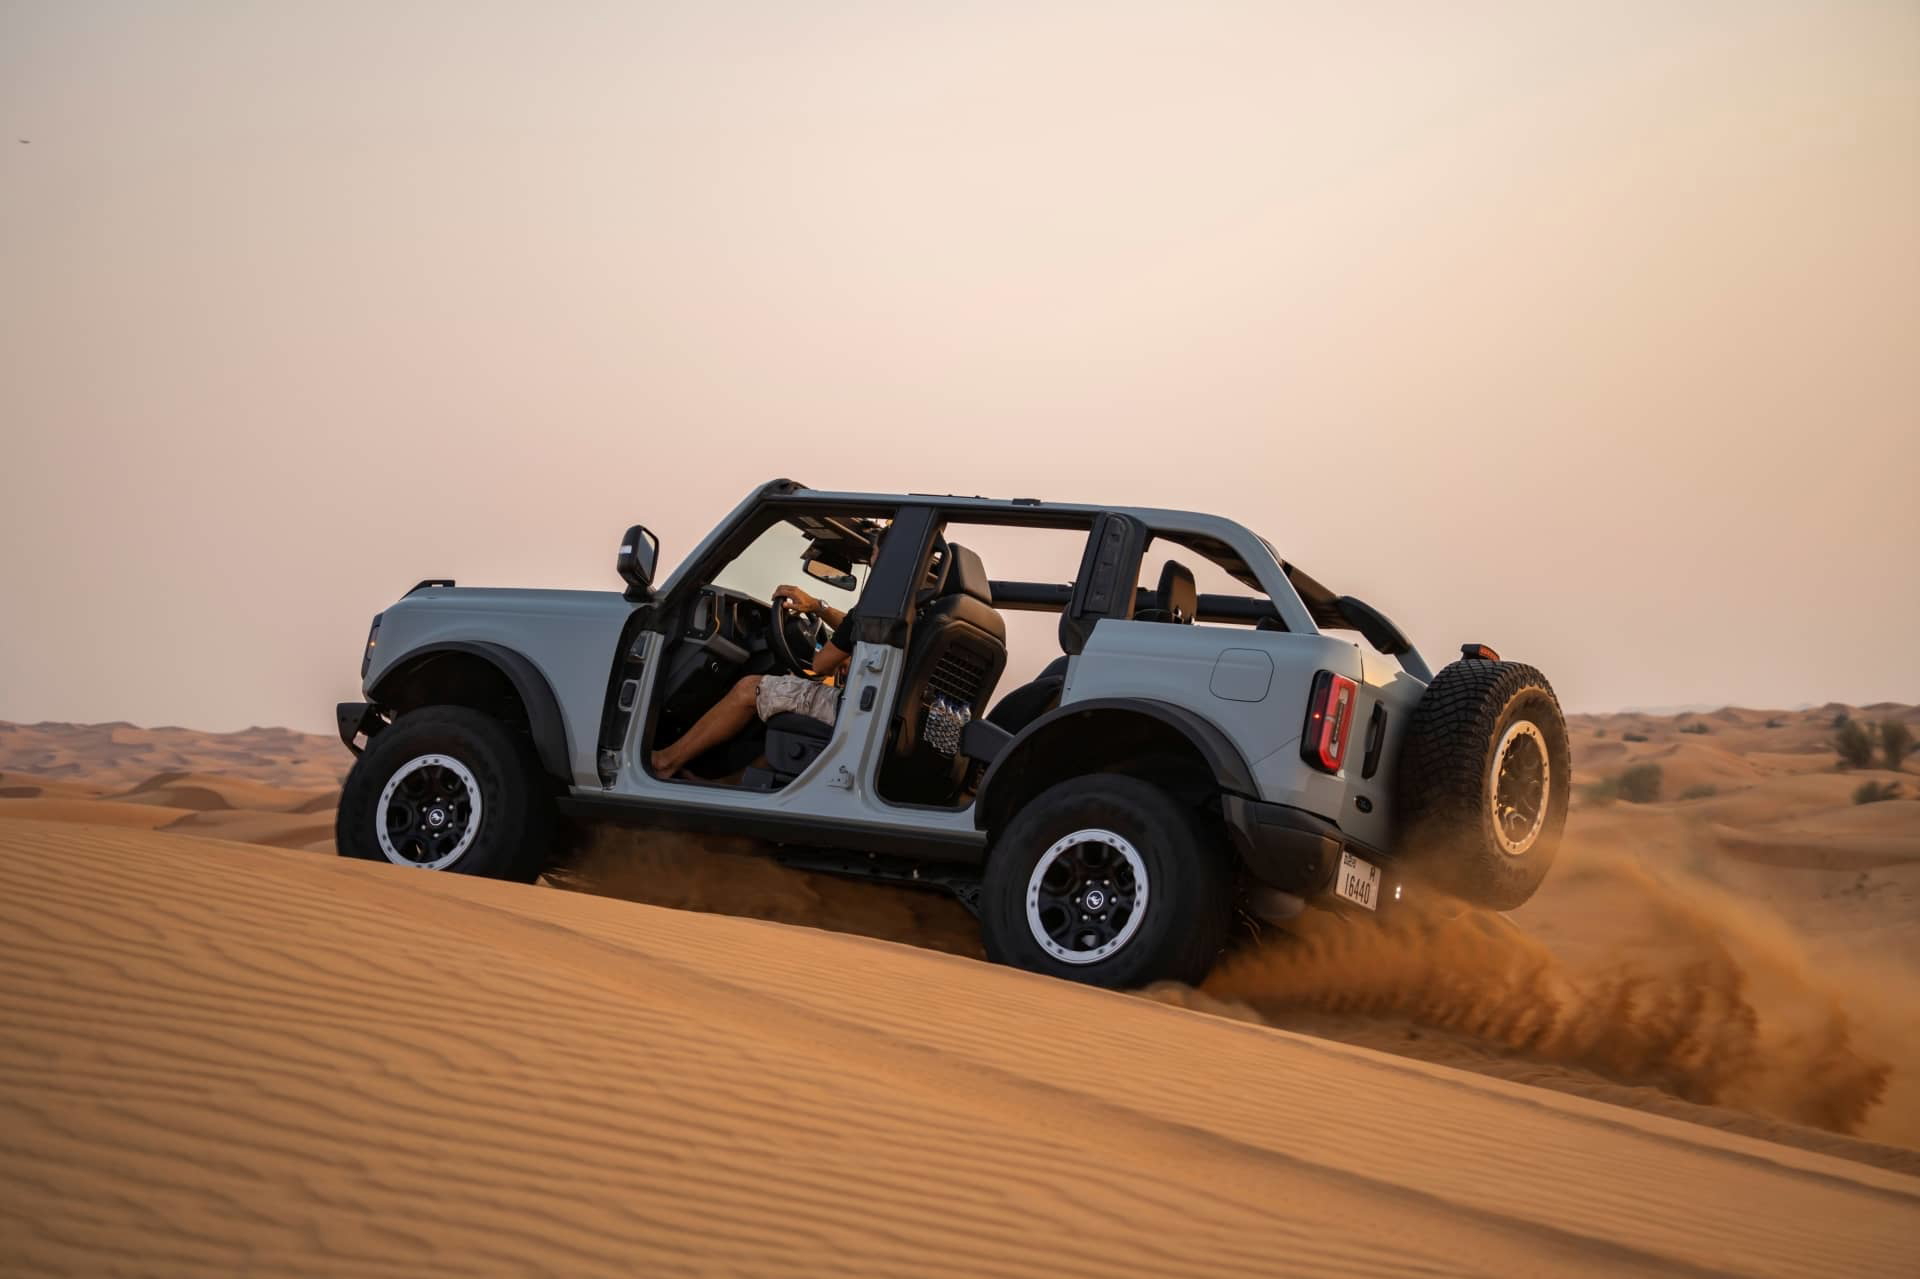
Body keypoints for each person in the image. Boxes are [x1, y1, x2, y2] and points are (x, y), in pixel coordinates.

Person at [649, 583, 858, 778]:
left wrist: (841, 654)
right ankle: (732, 787)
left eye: (875, 551)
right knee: (784, 703)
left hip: (854, 709)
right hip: (868, 708)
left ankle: (665, 762)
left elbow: (821, 665)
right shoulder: (887, 604)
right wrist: (819, 607)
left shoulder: (876, 602)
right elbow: (858, 626)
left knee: (750, 689)